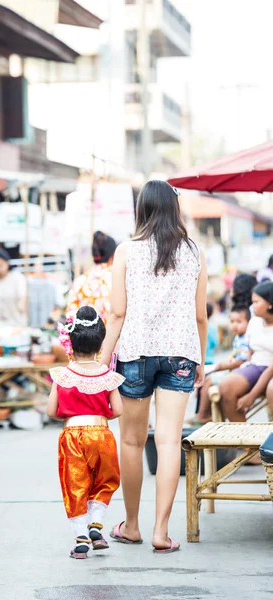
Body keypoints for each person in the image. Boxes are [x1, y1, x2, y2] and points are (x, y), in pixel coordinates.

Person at [99, 180, 208, 553]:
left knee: (130, 440)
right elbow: (200, 316)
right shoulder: (193, 252)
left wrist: (100, 362)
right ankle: (161, 532)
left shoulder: (126, 251)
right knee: (168, 441)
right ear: (173, 207)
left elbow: (117, 313)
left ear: (141, 208)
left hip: (135, 353)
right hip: (180, 354)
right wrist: (201, 361)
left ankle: (131, 525)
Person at [47, 306, 123, 559]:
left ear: (70, 343)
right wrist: (100, 415)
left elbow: (51, 410)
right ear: (100, 345)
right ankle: (96, 525)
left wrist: (70, 413)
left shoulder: (63, 375)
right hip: (101, 434)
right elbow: (118, 410)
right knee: (105, 480)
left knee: (75, 483)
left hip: (72, 435)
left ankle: (80, 537)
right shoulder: (107, 375)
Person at [186, 306, 251, 426]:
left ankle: (204, 415)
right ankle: (204, 414)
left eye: (239, 322)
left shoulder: (246, 339)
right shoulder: (238, 338)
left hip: (239, 372)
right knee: (207, 380)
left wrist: (222, 365)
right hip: (228, 369)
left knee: (210, 380)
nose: (235, 325)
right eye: (232, 322)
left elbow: (242, 360)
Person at [220, 281, 273, 421]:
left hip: (271, 368)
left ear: (270, 303)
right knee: (226, 386)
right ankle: (243, 439)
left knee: (272, 389)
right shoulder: (254, 322)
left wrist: (252, 396)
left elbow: (271, 368)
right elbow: (249, 353)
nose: (252, 306)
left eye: (256, 302)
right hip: (256, 365)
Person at [67, 231, 117, 323]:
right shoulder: (118, 279)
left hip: (86, 336)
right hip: (113, 336)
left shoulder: (80, 281)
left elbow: (70, 317)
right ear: (113, 255)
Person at [0, 249, 27, 326]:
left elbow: (22, 298)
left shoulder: (17, 277)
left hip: (15, 322)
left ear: (7, 263)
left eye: (1, 264)